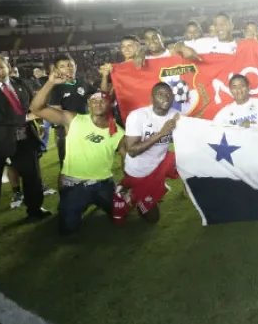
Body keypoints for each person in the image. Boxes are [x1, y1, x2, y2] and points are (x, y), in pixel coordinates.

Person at [30, 74, 126, 235]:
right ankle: (72, 204)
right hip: (75, 186)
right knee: (68, 230)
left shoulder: (118, 132)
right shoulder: (73, 119)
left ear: (110, 104)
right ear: (88, 104)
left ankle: (96, 202)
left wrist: (128, 184)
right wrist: (50, 82)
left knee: (122, 215)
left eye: (102, 100)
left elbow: (126, 158)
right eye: (93, 100)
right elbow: (36, 109)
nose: (97, 103)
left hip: (104, 185)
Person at [0, 53, 50, 240]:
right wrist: (23, 118)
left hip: (24, 140)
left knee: (32, 178)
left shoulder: (20, 82)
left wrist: (40, 119)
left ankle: (34, 209)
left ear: (8, 66)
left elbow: (32, 106)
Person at [115, 83, 182, 225]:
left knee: (187, 159)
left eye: (169, 94)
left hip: (159, 162)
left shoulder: (175, 115)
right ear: (152, 98)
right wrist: (161, 133)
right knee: (153, 219)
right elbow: (132, 151)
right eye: (161, 94)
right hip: (140, 171)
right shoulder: (138, 116)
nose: (166, 97)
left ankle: (167, 187)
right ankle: (129, 193)